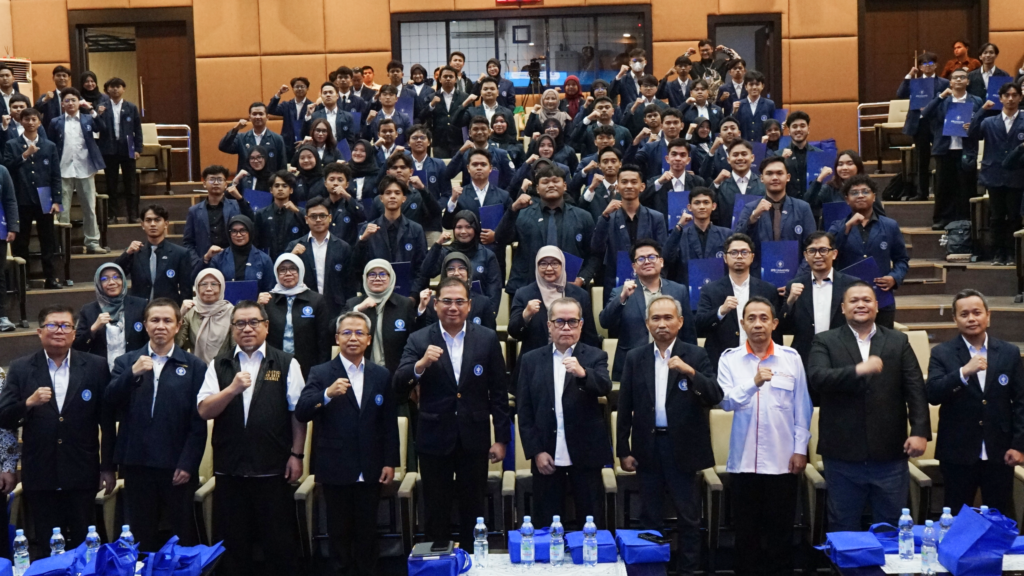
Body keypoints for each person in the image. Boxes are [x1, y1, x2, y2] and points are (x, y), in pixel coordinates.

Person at [394, 277, 510, 550]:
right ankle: (438, 563)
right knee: (436, 508)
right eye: (447, 301)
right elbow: (398, 384)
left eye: (459, 301)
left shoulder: (487, 338)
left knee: (474, 508)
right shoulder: (419, 338)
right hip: (434, 438)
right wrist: (420, 365)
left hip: (474, 437)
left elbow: (499, 393)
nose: (453, 307)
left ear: (469, 306)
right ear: (435, 305)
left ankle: (473, 561)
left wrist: (502, 439)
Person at [808, 281, 930, 531]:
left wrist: (919, 431)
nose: (860, 304)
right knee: (843, 527)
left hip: (890, 454)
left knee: (891, 528)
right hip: (842, 455)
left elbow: (915, 389)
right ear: (843, 308)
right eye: (854, 300)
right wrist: (858, 370)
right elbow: (817, 378)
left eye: (866, 300)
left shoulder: (898, 340)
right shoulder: (825, 341)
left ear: (876, 306)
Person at [197, 300, 305, 576]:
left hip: (273, 469)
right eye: (240, 323)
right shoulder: (219, 364)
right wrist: (231, 390)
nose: (247, 328)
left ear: (266, 326)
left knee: (279, 545)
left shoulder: (286, 362)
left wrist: (297, 454)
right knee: (233, 547)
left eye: (253, 322)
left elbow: (298, 413)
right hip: (230, 469)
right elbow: (205, 411)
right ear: (232, 329)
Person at [0, 304, 115, 559]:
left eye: (66, 326)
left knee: (85, 545)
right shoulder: (20, 368)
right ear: (39, 331)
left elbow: (107, 422)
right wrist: (28, 403)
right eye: (52, 325)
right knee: (46, 546)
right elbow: (4, 416)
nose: (59, 331)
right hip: (40, 472)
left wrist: (107, 466)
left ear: (74, 333)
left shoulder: (95, 366)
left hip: (82, 471)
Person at [617, 295, 720, 576]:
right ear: (647, 323)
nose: (662, 324)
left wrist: (690, 372)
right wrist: (623, 450)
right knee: (650, 516)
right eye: (656, 318)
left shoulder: (695, 355)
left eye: (668, 318)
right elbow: (624, 407)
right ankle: (652, 570)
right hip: (647, 448)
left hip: (684, 449)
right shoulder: (635, 357)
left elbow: (714, 395)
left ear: (680, 321)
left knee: (689, 517)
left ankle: (688, 571)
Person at [295, 310, 398, 576]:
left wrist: (390, 461)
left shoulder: (381, 374)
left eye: (359, 333)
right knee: (339, 534)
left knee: (368, 533)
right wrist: (326, 394)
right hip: (335, 467)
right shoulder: (320, 372)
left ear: (368, 339)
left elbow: (388, 422)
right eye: (347, 333)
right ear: (337, 338)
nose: (353, 338)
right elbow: (302, 411)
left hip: (371, 466)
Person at [718, 296, 812, 576]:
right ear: (742, 324)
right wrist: (753, 382)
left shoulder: (791, 358)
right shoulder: (730, 359)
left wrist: (801, 449)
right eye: (751, 318)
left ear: (774, 323)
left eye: (763, 318)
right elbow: (725, 402)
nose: (757, 324)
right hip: (744, 462)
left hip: (782, 462)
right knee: (745, 535)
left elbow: (802, 407)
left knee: (780, 535)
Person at [107, 298, 207, 550]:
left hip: (177, 465)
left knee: (182, 536)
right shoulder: (126, 361)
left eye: (167, 320)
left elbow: (198, 421)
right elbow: (109, 400)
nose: (160, 326)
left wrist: (188, 463)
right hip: (137, 462)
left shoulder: (194, 366)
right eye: (154, 320)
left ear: (178, 325)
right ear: (145, 325)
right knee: (140, 536)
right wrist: (132, 374)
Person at [516, 296, 612, 528]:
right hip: (546, 453)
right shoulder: (530, 360)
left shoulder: (595, 356)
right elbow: (524, 411)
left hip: (586, 454)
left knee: (591, 523)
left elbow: (604, 386)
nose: (566, 327)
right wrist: (536, 451)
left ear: (581, 325)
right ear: (549, 325)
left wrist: (583, 373)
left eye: (572, 322)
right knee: (547, 524)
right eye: (560, 321)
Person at [926, 289, 1024, 513]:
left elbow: (1021, 402)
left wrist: (1019, 445)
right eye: (964, 314)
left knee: (1000, 516)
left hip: (1000, 451)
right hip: (957, 452)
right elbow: (933, 393)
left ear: (988, 316)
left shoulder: (1008, 353)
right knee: (957, 516)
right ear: (955, 319)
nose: (971, 318)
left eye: (977, 313)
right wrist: (963, 372)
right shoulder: (942, 353)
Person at [496, 163, 599, 296]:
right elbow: (500, 239)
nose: (551, 185)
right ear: (537, 189)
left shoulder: (583, 217)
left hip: (569, 289)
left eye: (556, 181)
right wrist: (513, 209)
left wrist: (582, 279)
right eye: (545, 182)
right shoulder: (522, 214)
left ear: (565, 186)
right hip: (528, 289)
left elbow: (594, 254)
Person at [601, 238, 696, 379]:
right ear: (634, 267)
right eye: (641, 259)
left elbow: (688, 332)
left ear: (661, 262)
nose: (647, 262)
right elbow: (605, 322)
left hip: (672, 363)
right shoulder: (621, 292)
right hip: (633, 366)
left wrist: (690, 363)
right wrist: (622, 298)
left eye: (652, 257)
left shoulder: (678, 290)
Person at [827, 176, 909, 329]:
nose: (860, 196)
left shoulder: (890, 226)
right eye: (854, 193)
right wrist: (848, 226)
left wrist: (894, 277)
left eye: (865, 192)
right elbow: (829, 254)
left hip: (881, 297)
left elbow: (902, 259)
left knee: (882, 340)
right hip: (848, 298)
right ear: (847, 199)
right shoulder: (837, 226)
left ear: (874, 197)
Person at [696, 233, 781, 368]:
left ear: (752, 257)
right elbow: (699, 324)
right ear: (725, 258)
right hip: (722, 360)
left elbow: (775, 329)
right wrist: (720, 311)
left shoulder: (768, 290)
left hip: (761, 360)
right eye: (734, 252)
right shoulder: (710, 290)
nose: (739, 256)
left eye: (744, 252)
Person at [778, 232, 856, 371]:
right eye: (812, 251)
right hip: (805, 358)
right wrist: (790, 302)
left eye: (823, 250)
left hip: (841, 356)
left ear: (834, 254)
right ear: (805, 255)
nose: (818, 255)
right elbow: (783, 326)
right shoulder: (794, 285)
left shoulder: (851, 285)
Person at [4, 107, 62, 291]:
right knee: (22, 241)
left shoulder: (49, 145)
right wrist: (25, 155)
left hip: (45, 198)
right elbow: (6, 168)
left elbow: (55, 175)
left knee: (48, 240)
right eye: (27, 119)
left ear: (40, 122)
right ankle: (24, 279)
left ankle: (51, 278)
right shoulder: (12, 144)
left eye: (33, 119)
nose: (30, 122)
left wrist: (57, 200)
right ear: (21, 121)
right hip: (22, 197)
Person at [509, 246, 601, 362]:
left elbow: (590, 337)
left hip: (573, 361)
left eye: (554, 263)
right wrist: (526, 315)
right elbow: (514, 332)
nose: (549, 268)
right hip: (535, 363)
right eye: (543, 264)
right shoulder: (523, 294)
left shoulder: (580, 295)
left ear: (562, 265)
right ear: (536, 266)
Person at [591, 165, 668, 300]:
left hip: (650, 282)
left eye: (633, 182)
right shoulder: (608, 218)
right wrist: (604, 216)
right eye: (624, 182)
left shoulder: (656, 218)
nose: (629, 186)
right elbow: (596, 248)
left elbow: (662, 253)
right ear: (617, 187)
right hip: (615, 283)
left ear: (642, 187)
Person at [967, 82, 1024, 265]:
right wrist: (982, 110)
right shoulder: (989, 121)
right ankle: (998, 253)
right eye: (1006, 95)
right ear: (1000, 99)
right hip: (994, 174)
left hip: (1017, 174)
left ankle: (1013, 253)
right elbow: (972, 133)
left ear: (1020, 98)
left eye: (1014, 95)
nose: (1010, 99)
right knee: (997, 216)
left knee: (1014, 216)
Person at [920, 69, 983, 229]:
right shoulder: (942, 99)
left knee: (966, 185)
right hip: (945, 149)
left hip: (966, 149)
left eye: (962, 77)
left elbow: (982, 124)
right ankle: (942, 218)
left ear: (968, 81)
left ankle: (965, 219)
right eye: (955, 78)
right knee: (943, 186)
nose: (959, 80)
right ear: (951, 82)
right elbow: (925, 113)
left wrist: (972, 127)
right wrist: (941, 96)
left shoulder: (976, 100)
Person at [733, 156, 815, 278]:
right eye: (769, 173)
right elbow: (737, 242)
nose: (775, 177)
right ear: (762, 178)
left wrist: (798, 279)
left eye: (779, 173)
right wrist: (754, 217)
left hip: (796, 278)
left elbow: (812, 247)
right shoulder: (750, 208)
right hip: (759, 278)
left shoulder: (803, 208)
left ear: (788, 177)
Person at [48, 87, 107, 254]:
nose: (70, 103)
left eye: (73, 100)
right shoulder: (56, 122)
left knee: (89, 208)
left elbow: (102, 128)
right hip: (63, 170)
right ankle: (62, 245)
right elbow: (50, 145)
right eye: (67, 100)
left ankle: (92, 242)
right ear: (62, 104)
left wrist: (92, 110)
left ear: (79, 102)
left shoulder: (88, 118)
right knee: (63, 209)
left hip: (85, 168)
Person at [259, 253, 332, 379]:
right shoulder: (268, 300)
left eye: (293, 268)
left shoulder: (316, 300)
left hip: (308, 365)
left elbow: (323, 340)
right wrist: (258, 306)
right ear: (276, 273)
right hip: (274, 364)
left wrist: (321, 370)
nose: (288, 273)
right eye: (282, 270)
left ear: (301, 271)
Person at [344, 259, 420, 376]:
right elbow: (333, 329)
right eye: (372, 274)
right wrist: (357, 309)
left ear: (391, 277)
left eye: (383, 274)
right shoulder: (354, 303)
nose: (377, 278)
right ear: (365, 278)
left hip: (396, 373)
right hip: (361, 372)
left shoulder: (405, 304)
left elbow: (414, 339)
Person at [286, 196, 353, 321]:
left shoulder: (343, 247)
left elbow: (350, 284)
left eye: (322, 216)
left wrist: (347, 310)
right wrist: (292, 256)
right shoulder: (294, 246)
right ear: (306, 219)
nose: (318, 220)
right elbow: (284, 276)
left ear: (330, 218)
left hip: (336, 310)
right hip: (303, 309)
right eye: (313, 216)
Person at [115, 204, 197, 305]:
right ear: (142, 225)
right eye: (148, 220)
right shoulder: (134, 252)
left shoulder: (180, 253)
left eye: (157, 220)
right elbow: (115, 273)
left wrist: (183, 311)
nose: (153, 224)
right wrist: (127, 253)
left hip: (168, 308)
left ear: (166, 224)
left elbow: (186, 289)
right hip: (139, 308)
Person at [417, 210, 502, 306]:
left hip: (479, 310)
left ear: (475, 228)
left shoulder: (487, 255)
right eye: (459, 227)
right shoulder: (446, 252)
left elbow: (494, 290)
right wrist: (437, 244)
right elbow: (426, 271)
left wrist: (489, 312)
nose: (463, 231)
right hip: (449, 309)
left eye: (468, 227)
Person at [74, 263, 148, 369]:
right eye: (104, 279)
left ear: (123, 280)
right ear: (98, 284)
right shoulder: (89, 310)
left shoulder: (140, 305)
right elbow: (77, 347)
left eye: (116, 277)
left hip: (134, 369)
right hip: (101, 372)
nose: (112, 282)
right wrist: (93, 329)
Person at [896, 53, 949, 201]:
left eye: (931, 63)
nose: (928, 66)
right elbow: (900, 94)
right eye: (924, 64)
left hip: (938, 123)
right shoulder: (915, 82)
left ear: (936, 65)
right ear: (919, 67)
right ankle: (922, 193)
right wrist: (909, 75)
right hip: (920, 124)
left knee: (941, 158)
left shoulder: (944, 82)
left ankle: (942, 192)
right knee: (921, 159)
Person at [353, 176, 426, 273]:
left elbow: (422, 266)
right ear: (381, 198)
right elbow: (357, 265)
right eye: (388, 193)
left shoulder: (416, 229)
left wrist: (415, 284)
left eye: (397, 193)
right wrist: (363, 240)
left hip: (408, 281)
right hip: (377, 281)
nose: (392, 196)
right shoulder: (367, 230)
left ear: (404, 198)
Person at [183, 165, 254, 265]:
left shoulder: (236, 205)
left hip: (233, 261)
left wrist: (240, 199)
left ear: (225, 184)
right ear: (204, 184)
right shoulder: (194, 211)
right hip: (205, 261)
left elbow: (252, 222)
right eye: (212, 179)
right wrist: (197, 262)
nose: (216, 183)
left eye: (220, 180)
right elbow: (188, 242)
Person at [94, 77, 143, 223]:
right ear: (107, 90)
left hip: (128, 147)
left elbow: (137, 130)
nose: (115, 89)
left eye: (118, 86)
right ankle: (112, 215)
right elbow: (96, 128)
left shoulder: (131, 107)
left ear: (123, 89)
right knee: (111, 184)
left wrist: (138, 148)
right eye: (112, 87)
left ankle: (133, 215)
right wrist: (98, 115)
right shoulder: (101, 107)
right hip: (108, 148)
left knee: (130, 184)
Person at [664, 187, 731, 285]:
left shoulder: (726, 234)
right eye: (697, 203)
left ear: (714, 206)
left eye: (706, 202)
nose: (702, 206)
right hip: (687, 287)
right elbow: (667, 258)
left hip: (718, 287)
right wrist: (679, 225)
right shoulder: (680, 234)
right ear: (689, 207)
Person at [417, 251, 496, 330]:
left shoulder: (483, 302)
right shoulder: (432, 302)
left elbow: (490, 334)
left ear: (468, 273)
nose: (456, 273)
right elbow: (423, 333)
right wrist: (422, 309)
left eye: (461, 268)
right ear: (445, 273)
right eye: (451, 269)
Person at [202, 215, 275, 293]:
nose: (238, 235)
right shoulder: (219, 258)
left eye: (243, 230)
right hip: (225, 300)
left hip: (255, 300)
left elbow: (270, 289)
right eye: (234, 231)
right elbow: (208, 284)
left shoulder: (264, 259)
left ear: (250, 232)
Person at [177, 269, 235, 364]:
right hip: (197, 368)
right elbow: (177, 344)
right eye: (203, 284)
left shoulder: (232, 312)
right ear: (197, 287)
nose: (208, 288)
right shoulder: (190, 311)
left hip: (224, 368)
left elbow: (236, 348)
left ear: (221, 287)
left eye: (214, 284)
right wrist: (180, 316)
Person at [404, 125, 451, 241]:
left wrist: (436, 207)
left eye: (422, 137)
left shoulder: (439, 164)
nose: (419, 140)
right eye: (414, 138)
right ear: (408, 142)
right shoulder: (402, 165)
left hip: (432, 222)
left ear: (429, 142)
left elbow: (447, 193)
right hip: (407, 220)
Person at [643, 139, 707, 222]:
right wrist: (659, 183)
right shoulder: (655, 181)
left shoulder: (698, 182)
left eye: (682, 155)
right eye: (674, 154)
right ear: (667, 158)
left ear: (688, 160)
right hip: (663, 227)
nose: (678, 158)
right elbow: (641, 199)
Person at [444, 115, 515, 190]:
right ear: (470, 133)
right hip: (469, 196)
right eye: (475, 129)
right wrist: (460, 151)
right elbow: (447, 175)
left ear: (489, 132)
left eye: (483, 129)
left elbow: (512, 179)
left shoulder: (501, 154)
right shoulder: (464, 154)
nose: (479, 132)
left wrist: (503, 194)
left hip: (496, 195)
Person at [218, 102, 287, 173]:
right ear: (250, 118)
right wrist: (235, 129)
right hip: (246, 178)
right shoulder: (241, 138)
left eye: (261, 114)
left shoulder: (277, 139)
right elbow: (223, 147)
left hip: (269, 179)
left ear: (267, 117)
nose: (257, 117)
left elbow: (282, 166)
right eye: (254, 114)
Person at [253, 170, 307, 261]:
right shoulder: (261, 214)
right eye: (276, 186)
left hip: (294, 260)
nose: (280, 189)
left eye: (284, 186)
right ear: (271, 190)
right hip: (268, 261)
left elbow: (309, 232)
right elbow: (256, 241)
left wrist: (297, 212)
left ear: (291, 190)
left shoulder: (300, 212)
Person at [710, 139, 765, 229]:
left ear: (752, 158)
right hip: (728, 235)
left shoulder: (763, 184)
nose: (740, 158)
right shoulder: (721, 185)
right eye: (735, 155)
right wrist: (715, 184)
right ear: (728, 159)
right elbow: (710, 208)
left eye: (744, 154)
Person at [628, 109, 688, 182]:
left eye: (675, 122)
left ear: (682, 126)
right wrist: (637, 139)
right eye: (668, 123)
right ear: (661, 126)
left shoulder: (691, 149)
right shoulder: (650, 148)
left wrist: (693, 176)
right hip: (657, 188)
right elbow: (629, 163)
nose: (672, 126)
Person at [319, 162, 366, 247]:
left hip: (348, 250)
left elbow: (362, 216)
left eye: (340, 180)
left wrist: (347, 196)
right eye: (331, 180)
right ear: (325, 183)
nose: (335, 183)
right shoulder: (320, 206)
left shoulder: (351, 204)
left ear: (347, 184)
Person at [569, 146, 622, 222]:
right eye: (605, 162)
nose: (610, 165)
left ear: (620, 164)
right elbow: (580, 211)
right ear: (599, 166)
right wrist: (591, 188)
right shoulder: (591, 189)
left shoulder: (626, 188)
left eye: (613, 161)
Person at [425, 66, 468, 158]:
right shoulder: (431, 97)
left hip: (459, 141)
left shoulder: (464, 97)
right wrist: (431, 105)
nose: (448, 79)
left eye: (451, 76)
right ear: (440, 79)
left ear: (455, 80)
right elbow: (423, 116)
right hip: (439, 142)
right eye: (445, 76)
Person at [303, 82, 357, 151]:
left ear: (337, 96)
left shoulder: (347, 116)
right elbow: (306, 135)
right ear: (321, 97)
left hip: (342, 152)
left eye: (331, 92)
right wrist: (308, 116)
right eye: (325, 93)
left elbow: (351, 139)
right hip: (321, 151)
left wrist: (345, 152)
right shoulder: (315, 116)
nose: (328, 95)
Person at [267, 76, 312, 155]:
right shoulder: (286, 105)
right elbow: (270, 110)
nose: (299, 89)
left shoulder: (312, 106)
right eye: (297, 87)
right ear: (292, 89)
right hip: (288, 145)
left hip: (306, 144)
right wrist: (279, 93)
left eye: (302, 86)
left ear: (307, 88)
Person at [732, 70, 776, 143]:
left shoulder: (770, 104)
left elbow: (774, 126)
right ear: (746, 87)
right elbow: (734, 126)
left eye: (757, 84)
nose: (754, 87)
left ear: (762, 86)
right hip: (744, 145)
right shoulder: (739, 105)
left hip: (764, 145)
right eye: (751, 84)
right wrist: (734, 112)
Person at [699, 115, 743, 181]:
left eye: (733, 128)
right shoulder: (714, 154)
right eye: (725, 129)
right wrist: (712, 150)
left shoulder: (747, 151)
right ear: (720, 135)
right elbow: (704, 175)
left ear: (739, 133)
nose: (729, 131)